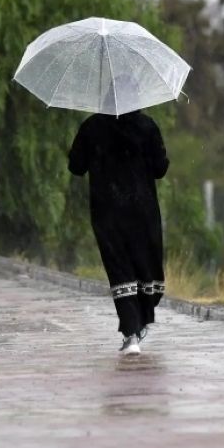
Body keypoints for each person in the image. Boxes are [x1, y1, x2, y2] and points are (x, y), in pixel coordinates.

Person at [67, 87, 170, 356]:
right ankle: (140, 320)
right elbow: (160, 169)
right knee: (144, 267)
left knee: (120, 270)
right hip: (142, 211)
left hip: (107, 211)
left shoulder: (91, 127)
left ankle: (132, 332)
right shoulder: (147, 126)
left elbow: (75, 167)